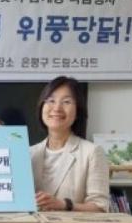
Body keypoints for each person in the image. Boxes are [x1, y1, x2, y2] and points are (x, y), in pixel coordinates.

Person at [30, 76, 109, 212]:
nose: (57, 108)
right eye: (51, 101)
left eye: (66, 102)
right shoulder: (28, 153)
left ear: (78, 111)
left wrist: (65, 205)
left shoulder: (92, 153)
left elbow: (100, 208)